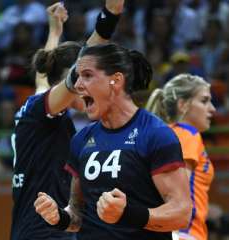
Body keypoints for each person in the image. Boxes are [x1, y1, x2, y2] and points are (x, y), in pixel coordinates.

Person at [34, 43, 192, 239]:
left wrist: (128, 214)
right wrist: (59, 217)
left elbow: (182, 213)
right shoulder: (81, 140)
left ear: (116, 80)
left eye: (88, 75)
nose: (77, 85)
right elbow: (78, 215)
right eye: (78, 76)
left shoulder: (155, 134)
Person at [10, 1, 124, 240]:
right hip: (44, 234)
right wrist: (109, 17)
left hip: (38, 230)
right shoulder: (41, 112)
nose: (87, 86)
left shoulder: (40, 107)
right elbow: (68, 76)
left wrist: (55, 31)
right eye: (85, 77)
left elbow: (44, 78)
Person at [146, 74, 216, 240]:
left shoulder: (165, 134)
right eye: (204, 101)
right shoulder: (186, 134)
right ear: (182, 105)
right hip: (184, 233)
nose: (212, 108)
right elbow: (176, 195)